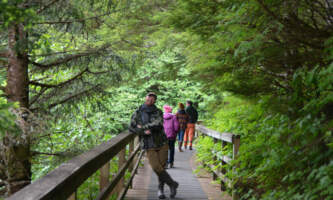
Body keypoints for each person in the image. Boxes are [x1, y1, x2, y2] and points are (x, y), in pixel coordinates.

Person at [129, 92, 179, 199]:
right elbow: (131, 127)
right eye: (149, 98)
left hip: (162, 143)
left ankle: (160, 190)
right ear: (145, 98)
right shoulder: (138, 112)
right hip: (148, 144)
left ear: (154, 101)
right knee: (156, 167)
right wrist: (143, 131)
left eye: (152, 99)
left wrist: (142, 126)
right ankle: (172, 184)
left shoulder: (158, 112)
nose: (150, 100)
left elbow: (158, 124)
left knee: (162, 166)